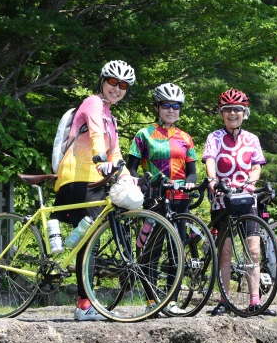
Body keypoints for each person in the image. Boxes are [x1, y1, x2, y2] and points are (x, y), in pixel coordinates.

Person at [52, 59, 137, 321]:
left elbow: (116, 152)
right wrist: (100, 159)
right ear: (102, 81)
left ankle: (84, 303)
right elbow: (97, 137)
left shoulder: (111, 116)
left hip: (95, 180)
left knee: (92, 242)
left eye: (123, 85)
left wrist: (127, 176)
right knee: (89, 240)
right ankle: (84, 305)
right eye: (113, 81)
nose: (118, 88)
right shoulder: (93, 103)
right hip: (77, 175)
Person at [203, 88, 275, 316]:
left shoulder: (251, 139)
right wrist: (213, 179)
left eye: (237, 109)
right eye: (227, 109)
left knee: (253, 251)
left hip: (246, 199)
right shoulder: (214, 137)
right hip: (222, 199)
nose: (232, 113)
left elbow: (256, 167)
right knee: (225, 253)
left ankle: (255, 301)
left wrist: (250, 182)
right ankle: (224, 300)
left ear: (245, 112)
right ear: (222, 113)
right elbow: (210, 160)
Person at [127, 83, 197, 316]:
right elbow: (132, 168)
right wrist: (143, 184)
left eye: (176, 106)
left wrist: (190, 181)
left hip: (180, 199)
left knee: (177, 250)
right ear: (156, 107)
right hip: (154, 199)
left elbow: (192, 171)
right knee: (152, 252)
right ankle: (151, 301)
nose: (171, 110)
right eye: (166, 105)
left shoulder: (186, 137)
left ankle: (172, 301)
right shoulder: (143, 134)